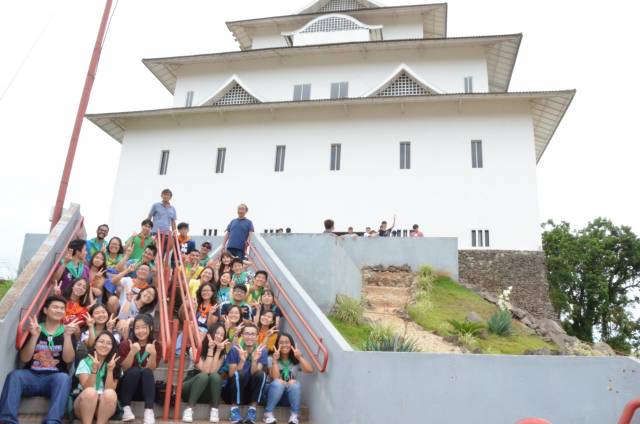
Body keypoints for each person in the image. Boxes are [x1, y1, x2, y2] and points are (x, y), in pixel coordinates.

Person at [0, 295, 78, 424]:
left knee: (64, 378)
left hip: (54, 378)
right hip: (31, 375)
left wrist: (68, 336)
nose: (59, 310)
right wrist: (34, 336)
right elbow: (24, 358)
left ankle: (52, 421)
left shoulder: (67, 330)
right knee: (15, 376)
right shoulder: (35, 328)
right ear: (46, 310)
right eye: (55, 307)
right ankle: (7, 420)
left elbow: (68, 360)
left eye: (62, 308)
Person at [181, 323, 229, 423]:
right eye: (217, 333)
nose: (219, 336)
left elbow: (212, 372)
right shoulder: (195, 349)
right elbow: (205, 371)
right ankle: (189, 409)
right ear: (210, 333)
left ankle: (214, 410)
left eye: (222, 335)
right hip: (189, 388)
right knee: (203, 377)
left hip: (206, 393)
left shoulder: (221, 354)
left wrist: (218, 351)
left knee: (216, 376)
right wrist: (210, 349)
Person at [118, 314, 162, 424]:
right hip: (127, 387)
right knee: (134, 370)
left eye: (144, 327)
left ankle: (148, 411)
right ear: (133, 329)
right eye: (137, 328)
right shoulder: (126, 344)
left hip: (144, 389)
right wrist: (132, 352)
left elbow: (151, 369)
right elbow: (124, 367)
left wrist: (153, 354)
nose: (140, 331)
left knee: (147, 372)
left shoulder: (156, 346)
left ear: (150, 328)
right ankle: (126, 408)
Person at [222, 323, 268, 424]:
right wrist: (242, 361)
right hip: (231, 392)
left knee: (261, 374)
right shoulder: (235, 349)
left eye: (252, 334)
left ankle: (252, 410)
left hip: (249, 393)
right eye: (247, 333)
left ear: (257, 337)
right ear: (242, 336)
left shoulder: (261, 350)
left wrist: (255, 361)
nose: (249, 337)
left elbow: (254, 374)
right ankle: (234, 411)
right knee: (240, 374)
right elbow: (231, 374)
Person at [72, 331, 122, 424]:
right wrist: (94, 370)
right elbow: (86, 388)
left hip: (103, 407)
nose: (104, 345)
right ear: (95, 344)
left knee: (110, 393)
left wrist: (110, 370)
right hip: (84, 403)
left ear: (112, 348)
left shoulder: (115, 364)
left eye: (109, 343)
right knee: (90, 392)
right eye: (101, 341)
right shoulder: (85, 362)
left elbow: (109, 389)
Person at [263, 333, 313, 424]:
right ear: (277, 345)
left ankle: (294, 416)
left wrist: (299, 357)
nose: (284, 345)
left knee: (294, 383)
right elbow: (275, 377)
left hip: (287, 397)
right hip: (271, 394)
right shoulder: (271, 358)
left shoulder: (295, 360)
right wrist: (275, 361)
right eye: (281, 342)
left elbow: (310, 370)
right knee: (278, 382)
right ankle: (268, 413)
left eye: (287, 342)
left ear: (291, 344)